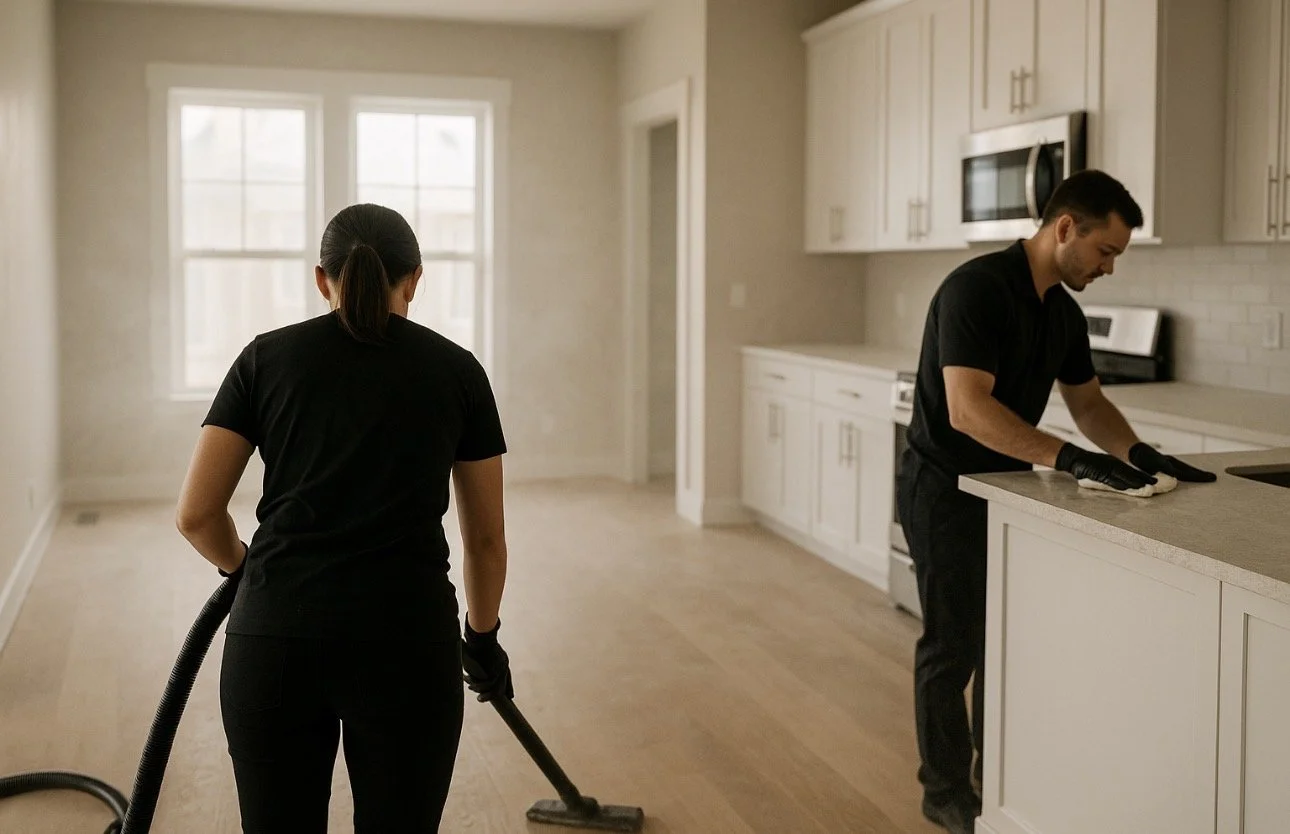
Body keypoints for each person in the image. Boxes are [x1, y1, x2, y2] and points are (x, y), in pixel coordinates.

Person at [174, 203, 514, 833]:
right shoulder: (458, 372)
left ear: (320, 278)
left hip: (273, 643)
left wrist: (245, 569)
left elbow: (197, 514)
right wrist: (483, 638)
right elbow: (486, 540)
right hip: (407, 647)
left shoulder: (264, 361)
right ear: (414, 279)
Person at [896, 169, 1218, 834]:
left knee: (1004, 639)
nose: (1108, 269)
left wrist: (1139, 454)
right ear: (1065, 228)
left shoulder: (1063, 314)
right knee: (953, 646)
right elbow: (966, 409)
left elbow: (1090, 403)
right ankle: (945, 788)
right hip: (946, 489)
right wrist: (1068, 459)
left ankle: (996, 774)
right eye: (1106, 252)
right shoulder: (976, 289)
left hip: (1011, 491)